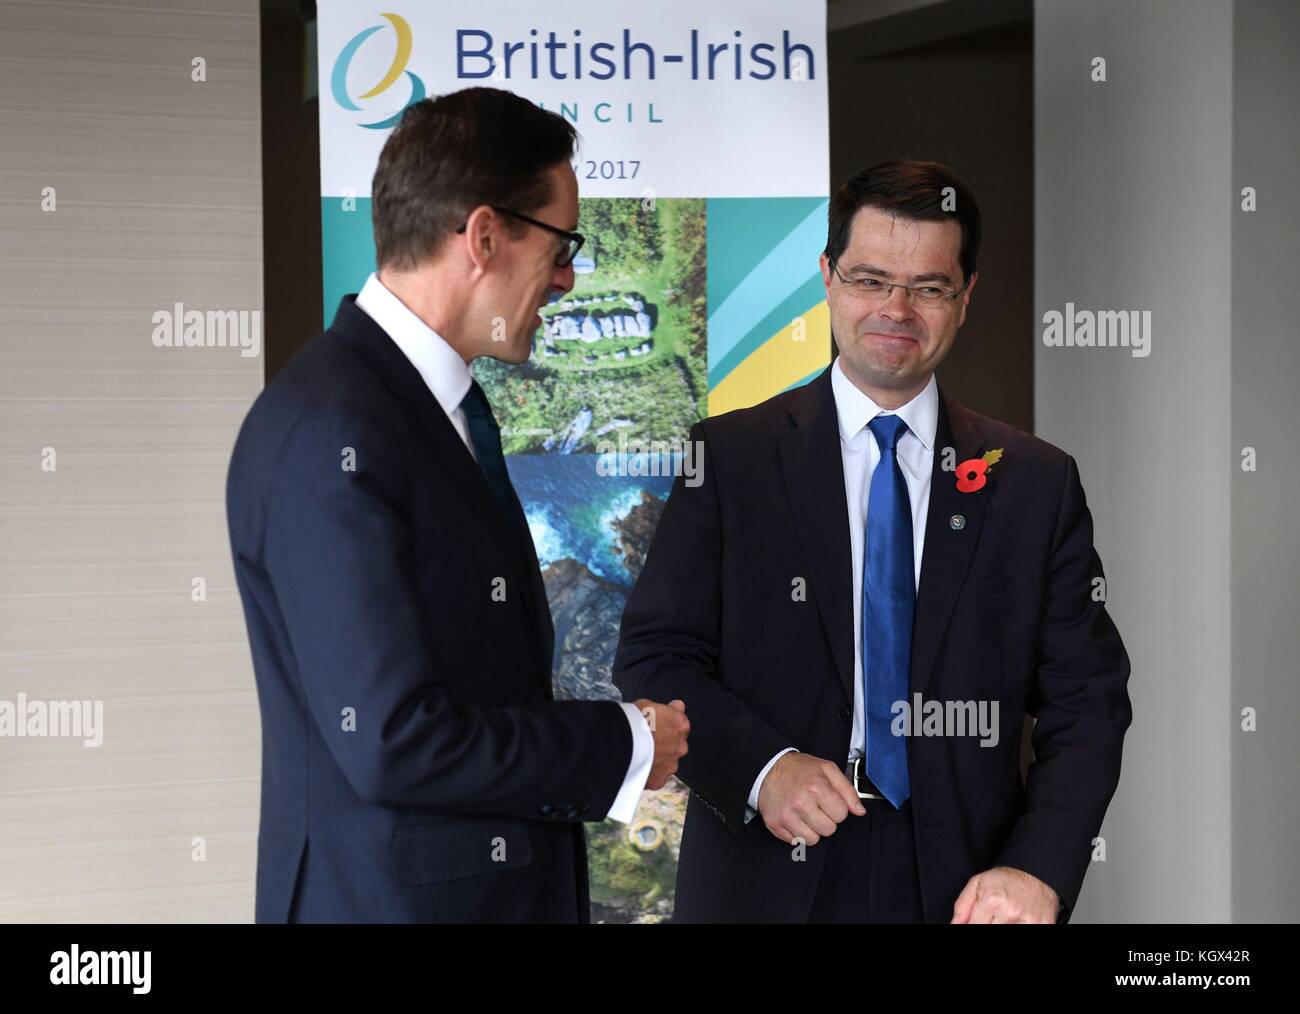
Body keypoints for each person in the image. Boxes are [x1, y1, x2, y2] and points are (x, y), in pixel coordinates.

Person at [613, 160, 1131, 924]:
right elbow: (656, 657)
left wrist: (1036, 869)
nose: (897, 309)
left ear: (966, 298)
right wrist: (764, 769)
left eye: (928, 287)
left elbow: (1087, 703)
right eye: (869, 279)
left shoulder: (1034, 482)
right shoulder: (728, 461)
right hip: (767, 875)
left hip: (968, 889)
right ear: (826, 277)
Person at [226, 87, 688, 923]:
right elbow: (394, 742)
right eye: (559, 242)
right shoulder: (334, 428)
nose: (567, 274)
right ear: (483, 236)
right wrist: (623, 740)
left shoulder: (417, 409)